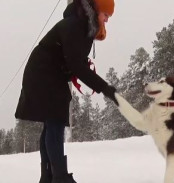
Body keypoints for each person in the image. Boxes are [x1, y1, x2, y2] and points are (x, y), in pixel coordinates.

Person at [15, 0, 118, 182]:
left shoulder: (83, 24)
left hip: (48, 73)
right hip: (43, 72)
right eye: (106, 15)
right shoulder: (75, 25)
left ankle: (48, 176)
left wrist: (82, 66)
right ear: (96, 10)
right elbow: (75, 64)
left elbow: (73, 57)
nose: (107, 20)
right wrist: (104, 87)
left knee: (51, 122)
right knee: (55, 120)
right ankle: (59, 177)